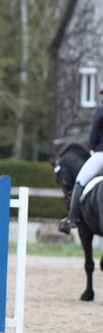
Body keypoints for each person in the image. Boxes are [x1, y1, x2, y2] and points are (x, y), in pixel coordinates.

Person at [58, 87, 103, 233]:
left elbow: (93, 136)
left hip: (101, 154)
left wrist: (92, 149)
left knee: (80, 181)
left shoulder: (100, 111)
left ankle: (71, 219)